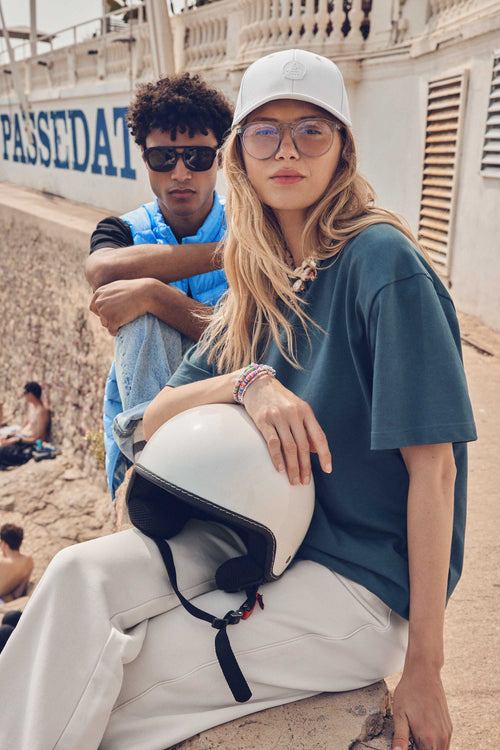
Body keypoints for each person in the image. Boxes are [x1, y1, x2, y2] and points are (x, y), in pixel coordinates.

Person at [0, 49, 476, 750]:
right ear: (241, 156)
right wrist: (246, 382)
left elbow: (435, 470)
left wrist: (426, 668)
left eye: (311, 130)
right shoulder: (264, 280)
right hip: (258, 540)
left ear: (343, 149)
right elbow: (149, 418)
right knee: (76, 574)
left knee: (100, 685)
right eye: (265, 132)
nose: (287, 150)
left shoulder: (382, 264)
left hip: (356, 578)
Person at [84, 73, 232, 498]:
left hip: (230, 409)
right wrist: (233, 254)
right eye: (164, 157)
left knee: (139, 299)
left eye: (197, 157)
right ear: (144, 158)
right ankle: (149, 469)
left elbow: (247, 343)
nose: (180, 172)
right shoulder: (124, 230)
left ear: (220, 158)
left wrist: (153, 294)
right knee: (139, 314)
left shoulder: (251, 225)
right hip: (143, 433)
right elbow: (102, 272)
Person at [0, 382, 50, 469]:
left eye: (25, 393)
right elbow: (25, 426)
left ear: (30, 394)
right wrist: (10, 436)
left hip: (27, 443)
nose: (24, 395)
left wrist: (16, 440)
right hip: (22, 436)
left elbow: (38, 438)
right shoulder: (33, 408)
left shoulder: (41, 412)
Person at [0, 525, 33, 603]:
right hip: (12, 600)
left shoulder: (2, 563)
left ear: (4, 544)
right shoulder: (28, 560)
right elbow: (20, 590)